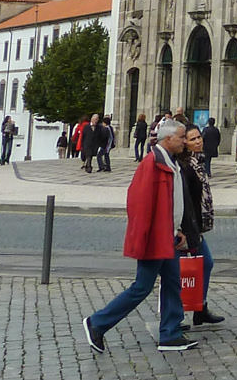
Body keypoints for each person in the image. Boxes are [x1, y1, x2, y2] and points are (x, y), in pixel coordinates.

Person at [81, 118, 198, 354]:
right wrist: (143, 239)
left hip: (168, 237)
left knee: (173, 284)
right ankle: (97, 323)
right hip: (155, 239)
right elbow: (140, 205)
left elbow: (171, 202)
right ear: (168, 139)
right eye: (181, 137)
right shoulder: (151, 163)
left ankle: (170, 334)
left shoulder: (169, 161)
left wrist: (177, 230)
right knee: (141, 288)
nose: (185, 141)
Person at [181, 124, 224, 327]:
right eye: (193, 139)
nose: (198, 141)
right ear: (185, 143)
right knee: (178, 272)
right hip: (188, 227)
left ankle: (200, 308)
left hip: (196, 226)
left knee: (205, 263)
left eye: (199, 137)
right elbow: (186, 200)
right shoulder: (186, 166)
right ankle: (177, 316)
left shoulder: (199, 161)